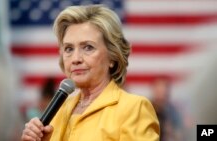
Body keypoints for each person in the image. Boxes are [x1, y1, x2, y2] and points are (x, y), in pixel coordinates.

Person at [21, 5, 160, 141]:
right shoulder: (59, 109)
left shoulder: (134, 108)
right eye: (69, 49)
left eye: (88, 47)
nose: (76, 59)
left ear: (112, 56)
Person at [151, 76, 183, 141]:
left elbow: (179, 134)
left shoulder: (173, 111)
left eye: (163, 89)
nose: (160, 92)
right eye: (158, 88)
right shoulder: (147, 108)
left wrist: (171, 131)